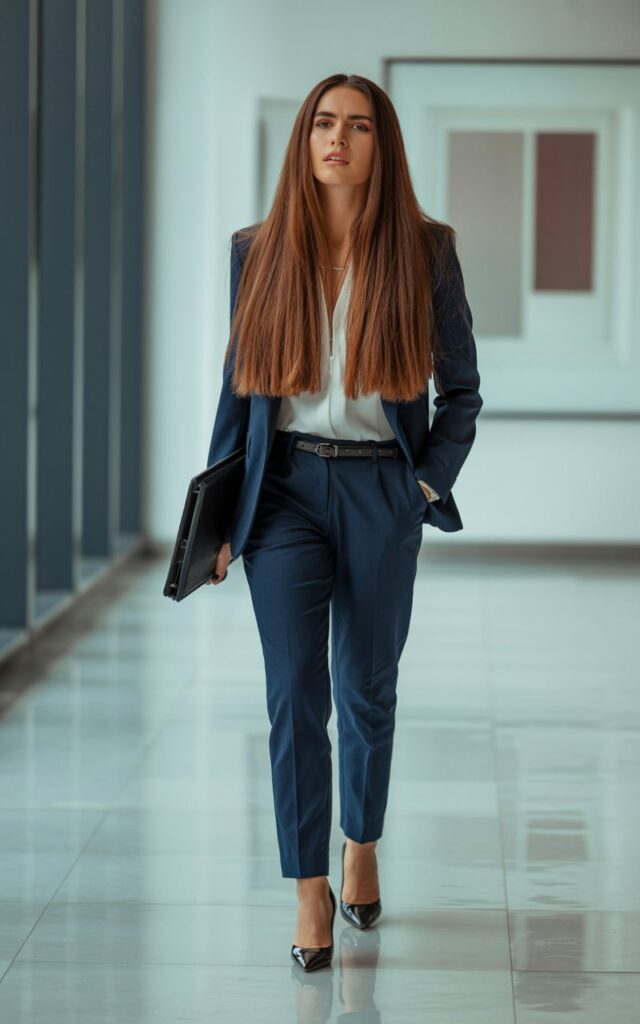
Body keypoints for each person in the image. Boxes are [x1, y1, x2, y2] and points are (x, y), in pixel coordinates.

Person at [205, 73, 483, 971]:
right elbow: (240, 390)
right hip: (282, 492)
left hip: (378, 492)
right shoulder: (257, 250)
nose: (338, 139)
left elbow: (463, 393)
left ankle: (360, 846)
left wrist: (424, 487)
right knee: (295, 696)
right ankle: (307, 890)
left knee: (366, 688)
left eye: (358, 127)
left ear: (380, 146)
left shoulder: (427, 251)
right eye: (324, 123)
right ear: (304, 139)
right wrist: (216, 516)